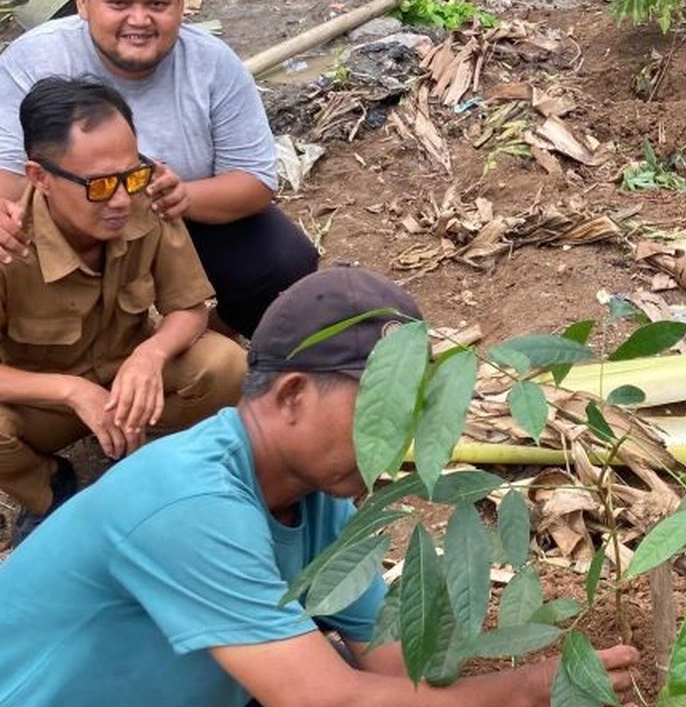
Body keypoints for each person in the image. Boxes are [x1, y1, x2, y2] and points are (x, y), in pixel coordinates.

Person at [0, 265, 640, 706]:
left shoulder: (319, 499)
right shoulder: (188, 502)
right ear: (293, 396)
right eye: (377, 411)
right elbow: (321, 697)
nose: (393, 441)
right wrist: (526, 689)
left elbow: (394, 667)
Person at [0, 75, 245, 546]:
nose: (119, 200)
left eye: (131, 175)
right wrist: (71, 391)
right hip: (44, 403)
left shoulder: (145, 201)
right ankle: (49, 489)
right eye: (97, 185)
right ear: (39, 177)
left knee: (225, 365)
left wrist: (150, 356)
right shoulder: (10, 243)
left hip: (129, 376)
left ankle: (147, 457)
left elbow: (188, 307)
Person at [0, 0, 318, 338]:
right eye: (119, 3)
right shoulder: (35, 59)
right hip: (67, 222)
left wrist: (184, 195)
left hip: (170, 219)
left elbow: (256, 180)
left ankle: (208, 337)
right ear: (83, 2)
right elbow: (9, 180)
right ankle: (43, 356)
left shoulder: (213, 63)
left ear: (182, 5)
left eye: (157, 3)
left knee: (282, 259)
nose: (139, 20)